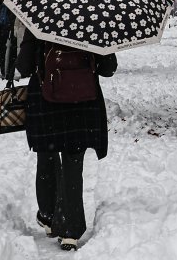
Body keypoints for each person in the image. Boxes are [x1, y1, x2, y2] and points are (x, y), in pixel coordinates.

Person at [15, 26, 117, 251]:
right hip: (82, 102)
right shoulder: (92, 22)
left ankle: (49, 216)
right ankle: (70, 229)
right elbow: (109, 68)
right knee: (73, 159)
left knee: (47, 152)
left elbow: (23, 66)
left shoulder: (38, 21)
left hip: (46, 98)